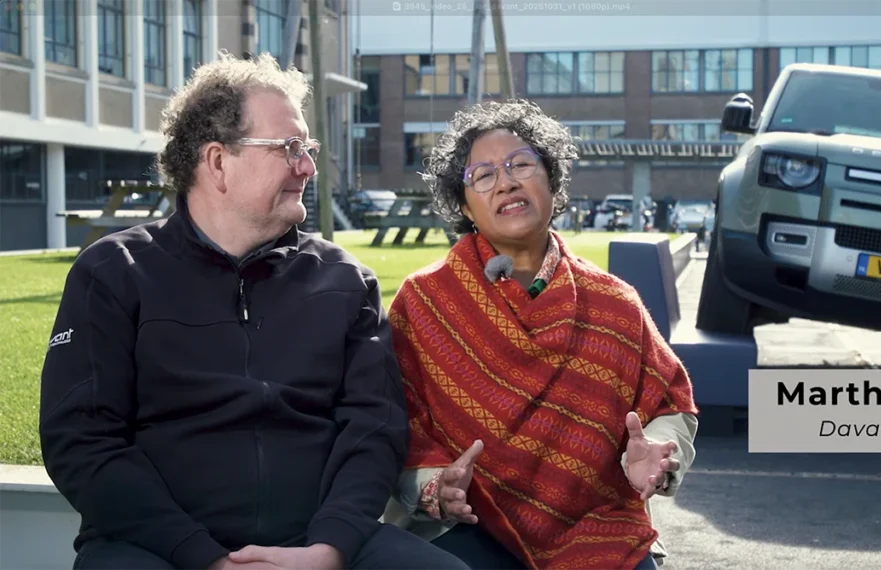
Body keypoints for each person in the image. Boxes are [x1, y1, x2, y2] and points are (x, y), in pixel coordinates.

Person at [37, 52, 471, 570]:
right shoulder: (113, 272)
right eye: (289, 147)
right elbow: (82, 441)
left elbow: (373, 429)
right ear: (217, 162)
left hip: (321, 544)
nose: (308, 165)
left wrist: (328, 550)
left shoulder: (344, 281)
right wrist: (204, 557)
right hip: (156, 549)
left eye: (307, 148)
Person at [380, 99, 700, 570]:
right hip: (465, 524)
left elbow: (670, 404)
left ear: (552, 179)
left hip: (599, 523)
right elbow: (396, 422)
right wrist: (433, 485)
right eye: (483, 175)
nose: (506, 181)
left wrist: (657, 449)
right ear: (464, 204)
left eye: (521, 164)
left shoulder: (615, 303)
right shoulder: (425, 301)